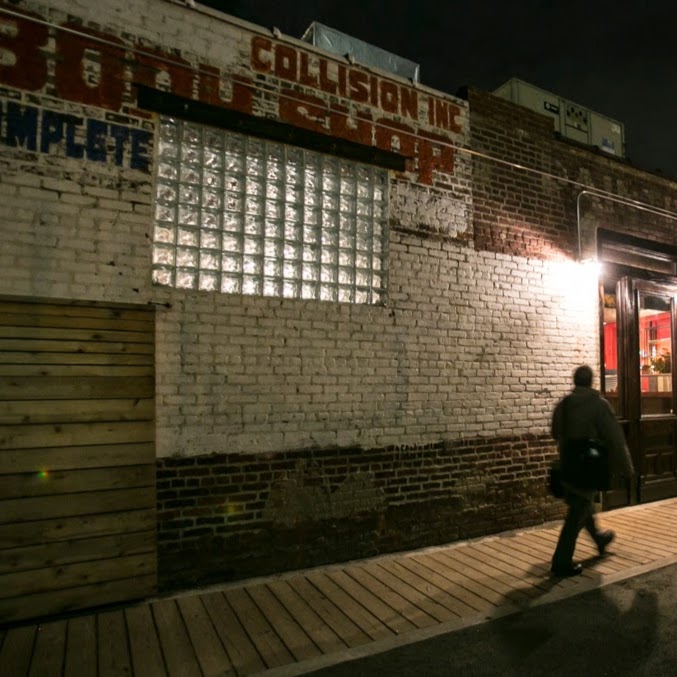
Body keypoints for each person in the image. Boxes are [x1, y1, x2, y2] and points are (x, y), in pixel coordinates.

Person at [550, 365, 634, 577]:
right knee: (576, 514)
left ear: (575, 381)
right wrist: (627, 468)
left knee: (582, 505)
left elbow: (555, 432)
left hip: (568, 465)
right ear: (591, 381)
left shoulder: (565, 404)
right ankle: (561, 563)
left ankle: (599, 538)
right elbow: (615, 437)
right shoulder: (599, 405)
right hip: (589, 466)